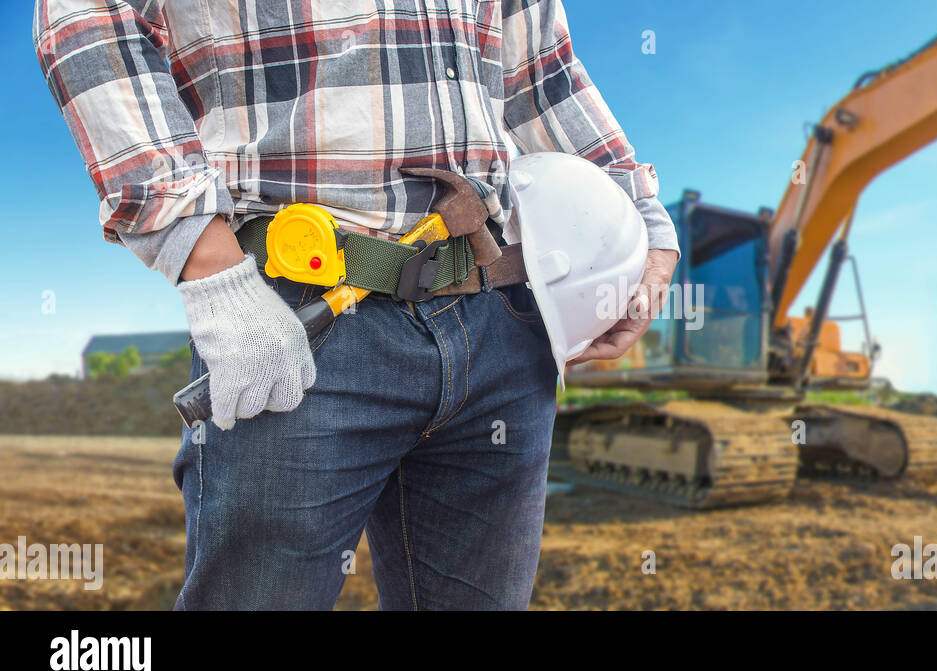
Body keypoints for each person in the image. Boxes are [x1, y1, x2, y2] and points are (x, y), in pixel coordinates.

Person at [33, 0, 678, 610]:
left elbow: (542, 71)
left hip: (500, 320)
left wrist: (642, 226)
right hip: (290, 321)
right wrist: (205, 263)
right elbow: (82, 14)